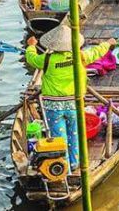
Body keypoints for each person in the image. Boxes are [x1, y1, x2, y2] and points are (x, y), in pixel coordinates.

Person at [25, 24, 114, 174]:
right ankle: (74, 163)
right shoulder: (80, 56)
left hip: (53, 107)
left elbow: (31, 59)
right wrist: (108, 43)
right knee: (75, 134)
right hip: (74, 104)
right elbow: (97, 51)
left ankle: (63, 166)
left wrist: (31, 46)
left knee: (59, 137)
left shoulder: (47, 59)